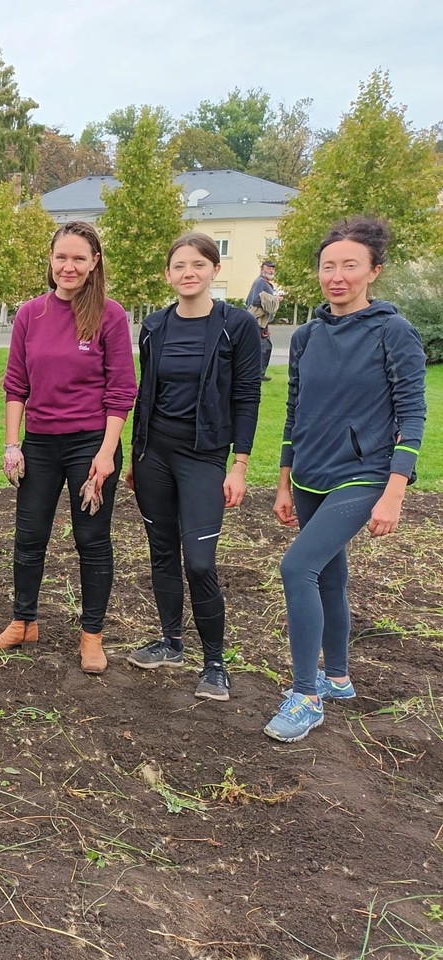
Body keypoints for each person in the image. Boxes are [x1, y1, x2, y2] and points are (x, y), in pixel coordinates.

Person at [265, 217, 426, 742]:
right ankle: (336, 678)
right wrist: (284, 482)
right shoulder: (307, 335)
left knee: (297, 568)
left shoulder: (392, 332)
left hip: (363, 475)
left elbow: (413, 415)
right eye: (328, 266)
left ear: (373, 271)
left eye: (350, 266)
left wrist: (394, 492)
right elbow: (294, 412)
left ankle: (305, 696)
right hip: (310, 475)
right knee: (329, 577)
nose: (337, 276)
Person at [0, 222, 137, 674]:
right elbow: (16, 384)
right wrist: (12, 445)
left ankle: (92, 636)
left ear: (94, 263)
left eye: (79, 258)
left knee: (92, 540)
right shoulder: (31, 314)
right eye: (61, 257)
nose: (69, 266)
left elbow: (121, 392)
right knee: (29, 536)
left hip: (91, 445)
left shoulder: (110, 315)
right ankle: (23, 622)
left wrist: (106, 454)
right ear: (50, 260)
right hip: (41, 444)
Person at [126, 232, 261, 701]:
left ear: (214, 270)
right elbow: (146, 392)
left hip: (203, 456)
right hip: (154, 456)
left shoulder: (236, 325)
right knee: (162, 551)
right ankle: (171, 643)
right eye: (180, 265)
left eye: (198, 264)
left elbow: (247, 396)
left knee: (200, 562)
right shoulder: (153, 326)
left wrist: (239, 464)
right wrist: (136, 452)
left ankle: (215, 664)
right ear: (168, 274)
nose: (189, 273)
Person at [245, 260, 279, 382]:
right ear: (262, 269)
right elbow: (256, 301)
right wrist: (275, 300)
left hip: (262, 323)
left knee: (265, 347)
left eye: (272, 269)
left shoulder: (264, 283)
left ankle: (259, 373)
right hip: (258, 321)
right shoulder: (260, 282)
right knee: (263, 348)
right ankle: (257, 374)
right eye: (268, 268)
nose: (271, 271)